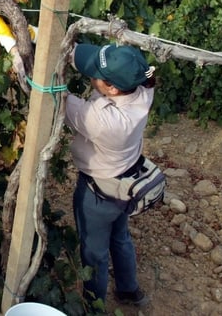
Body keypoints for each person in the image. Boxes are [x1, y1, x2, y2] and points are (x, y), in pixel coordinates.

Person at [64, 43, 156, 310]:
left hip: (98, 194)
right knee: (120, 237)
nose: (90, 77)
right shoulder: (143, 87)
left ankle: (95, 308)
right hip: (125, 184)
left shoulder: (104, 122)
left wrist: (12, 46)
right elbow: (87, 56)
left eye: (95, 75)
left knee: (95, 256)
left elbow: (52, 94)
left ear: (112, 89)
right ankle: (129, 291)